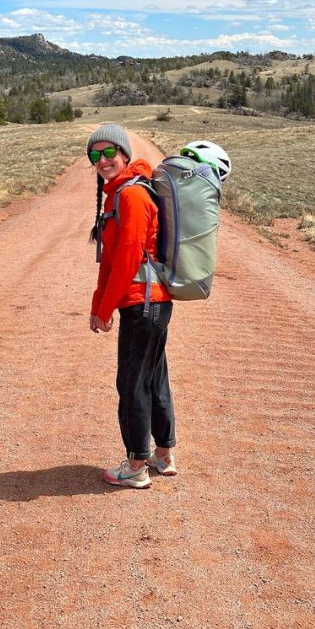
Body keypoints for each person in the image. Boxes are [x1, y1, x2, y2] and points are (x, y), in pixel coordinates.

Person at [87, 123, 176, 488]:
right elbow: (108, 260)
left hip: (144, 305)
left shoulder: (132, 197)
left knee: (132, 383)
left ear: (124, 154)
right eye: (95, 155)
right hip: (149, 303)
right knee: (153, 378)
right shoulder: (118, 195)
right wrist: (99, 303)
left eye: (110, 152)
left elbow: (126, 260)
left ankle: (136, 464)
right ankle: (163, 455)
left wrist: (107, 308)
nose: (103, 160)